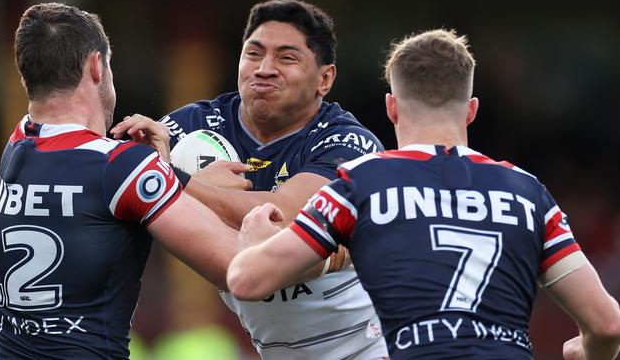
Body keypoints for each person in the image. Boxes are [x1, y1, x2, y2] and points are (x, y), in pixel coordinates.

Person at [226, 29, 620, 359]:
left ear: (392, 108)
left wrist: (254, 238)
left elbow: (248, 282)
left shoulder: (360, 185)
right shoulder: (529, 193)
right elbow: (608, 324)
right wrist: (590, 352)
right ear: (471, 110)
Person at [111, 0, 389, 359]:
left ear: (325, 78)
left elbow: (287, 219)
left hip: (368, 347)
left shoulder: (350, 143)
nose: (264, 69)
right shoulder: (192, 127)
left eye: (287, 58)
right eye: (253, 54)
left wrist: (181, 181)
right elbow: (118, 180)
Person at [0, 3, 240, 359]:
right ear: (96, 65)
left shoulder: (16, 146)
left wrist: (157, 170)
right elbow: (239, 266)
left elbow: (79, 170)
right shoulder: (121, 166)